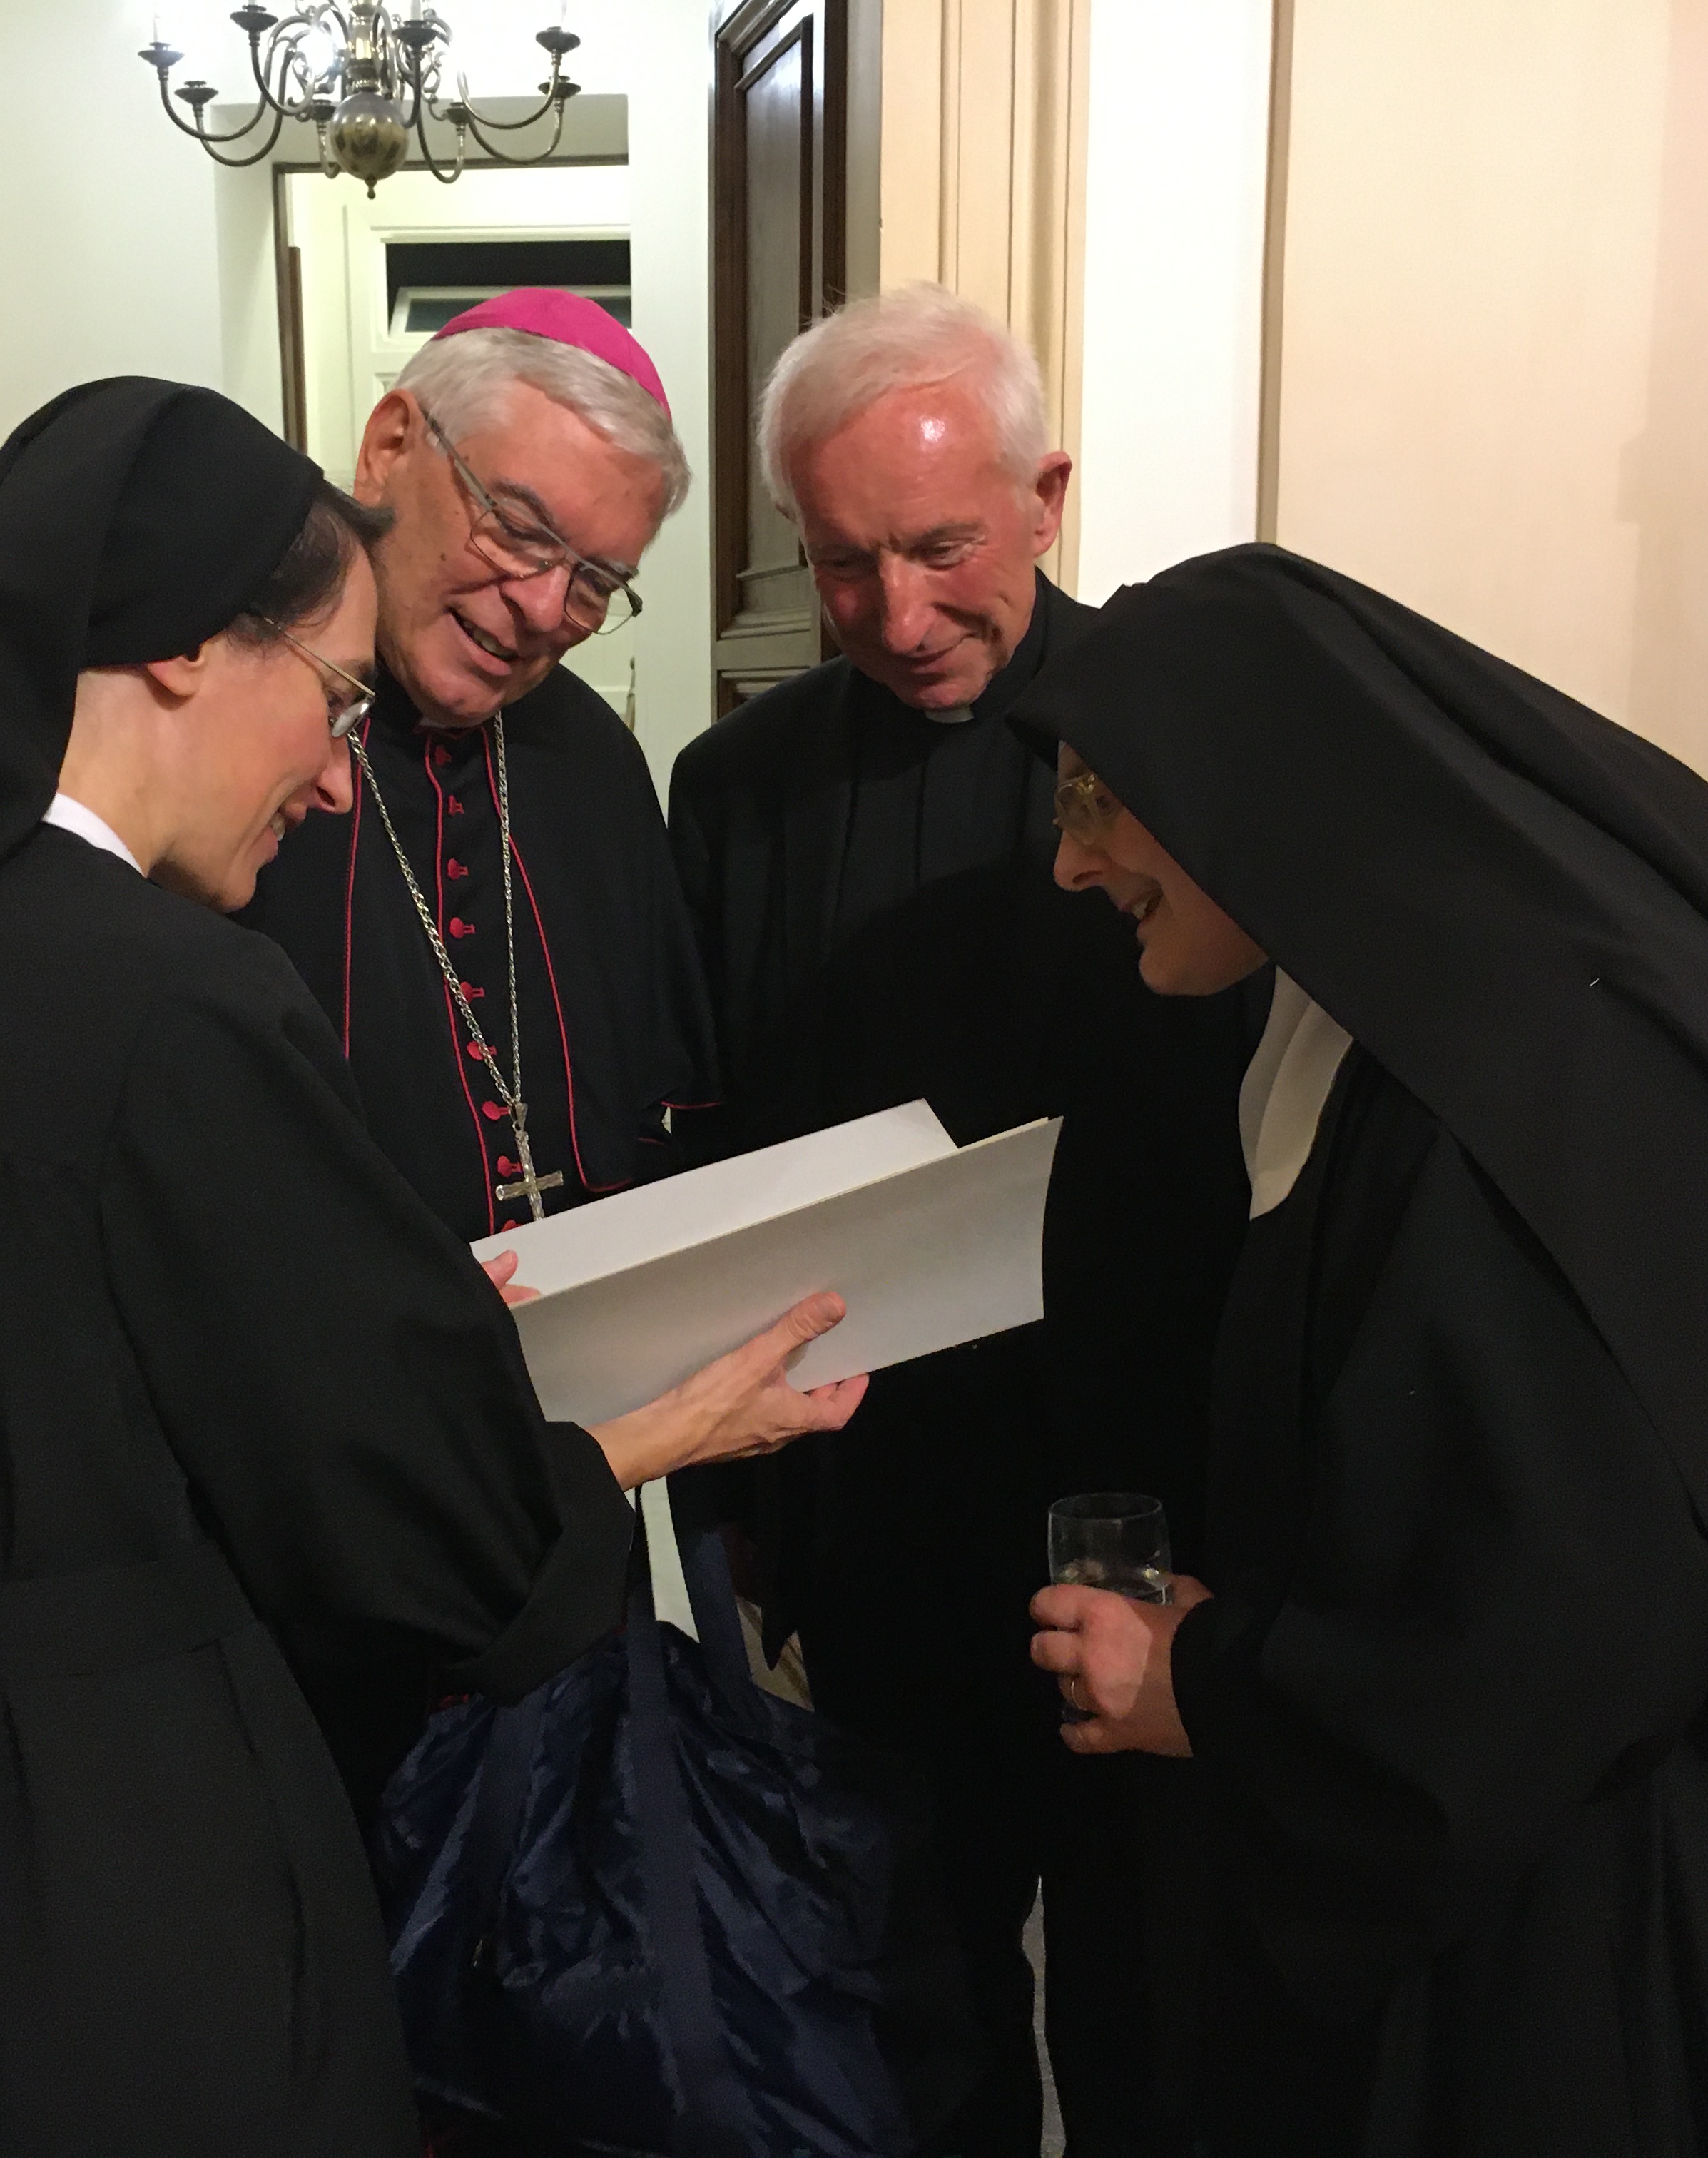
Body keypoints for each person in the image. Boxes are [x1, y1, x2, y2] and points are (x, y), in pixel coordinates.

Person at [0, 378, 865, 2158]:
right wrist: (653, 1437)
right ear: (190, 646)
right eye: (332, 699)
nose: (341, 777)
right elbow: (426, 1531)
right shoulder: (170, 997)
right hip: (103, 1865)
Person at [1024, 542, 1708, 2156]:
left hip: (1658, 1937)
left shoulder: (1529, 1090)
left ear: (1251, 778)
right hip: (1666, 1850)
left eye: (1098, 801)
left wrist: (1209, 1687)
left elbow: (1556, 1620)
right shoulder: (1476, 994)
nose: (1070, 863)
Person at [666, 285, 1255, 2156]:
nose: (899, 615)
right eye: (845, 565)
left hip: (1162, 1495)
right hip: (881, 1505)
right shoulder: (737, 791)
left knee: (1167, 2000)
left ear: (1046, 497)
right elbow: (721, 1134)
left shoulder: (1200, 738)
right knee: (914, 2005)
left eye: (941, 550)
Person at [243, 290, 712, 1246]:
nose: (545, 609)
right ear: (389, 446)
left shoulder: (594, 761)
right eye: (520, 530)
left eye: (596, 583)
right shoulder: (235, 713)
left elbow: (655, 1112)